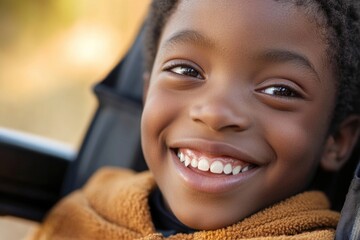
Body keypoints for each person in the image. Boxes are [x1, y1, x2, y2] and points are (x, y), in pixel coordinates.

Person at [31, 0, 360, 239]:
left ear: (337, 141)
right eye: (186, 71)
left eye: (278, 90)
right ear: (147, 92)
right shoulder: (87, 209)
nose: (215, 113)